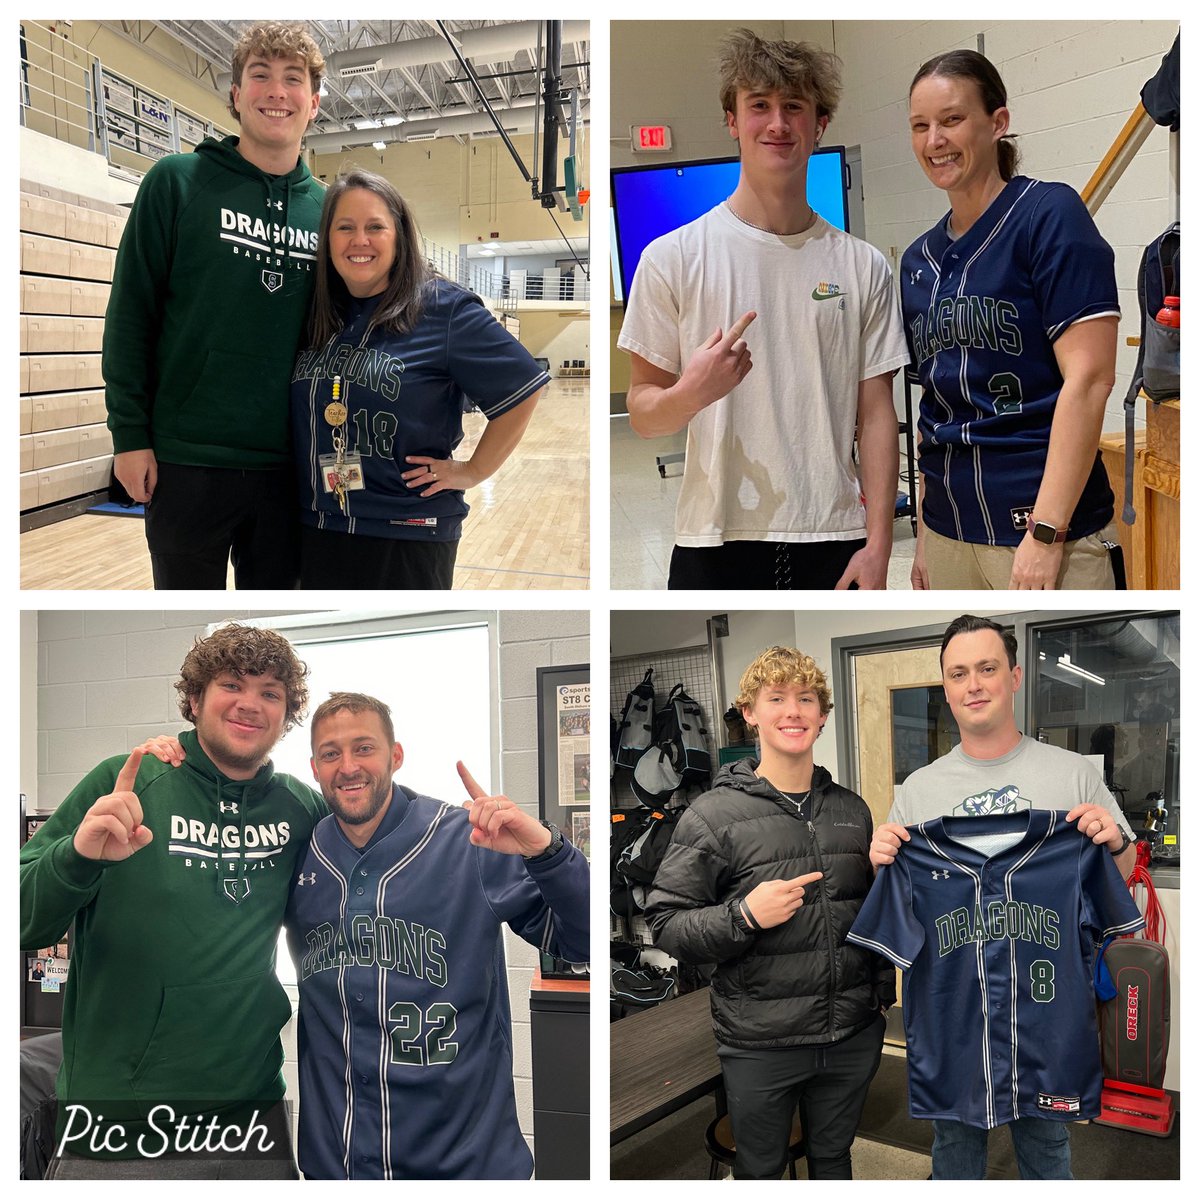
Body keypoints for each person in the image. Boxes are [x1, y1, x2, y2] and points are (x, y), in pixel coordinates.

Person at [20, 624, 325, 1178]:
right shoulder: (124, 783)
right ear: (194, 699)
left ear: (287, 716)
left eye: (271, 693)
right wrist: (77, 857)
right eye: (232, 683)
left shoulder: (300, 808)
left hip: (251, 1110)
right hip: (118, 1120)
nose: (250, 704)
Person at [617, 28, 908, 591]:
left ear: (819, 123)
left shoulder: (863, 266)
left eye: (794, 107)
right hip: (714, 537)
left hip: (834, 537)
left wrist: (879, 545)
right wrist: (690, 394)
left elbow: (875, 417)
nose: (777, 123)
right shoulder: (672, 257)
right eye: (759, 106)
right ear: (732, 119)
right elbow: (643, 413)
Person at [867, 614, 1137, 1179]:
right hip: (955, 1020)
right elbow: (897, 902)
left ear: (1014, 676)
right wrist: (883, 862)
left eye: (987, 668)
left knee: (1045, 1148)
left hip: (1045, 1021)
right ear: (946, 687)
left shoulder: (1073, 775)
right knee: (955, 1150)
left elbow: (1123, 875)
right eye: (959, 673)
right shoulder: (918, 791)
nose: (974, 684)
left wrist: (1112, 844)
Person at [285, 692, 589, 1178]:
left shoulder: (468, 839)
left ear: (395, 756)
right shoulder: (299, 854)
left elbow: (583, 942)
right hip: (336, 1165)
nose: (348, 766)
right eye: (330, 753)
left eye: (364, 748)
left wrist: (547, 851)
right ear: (315, 768)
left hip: (464, 1165)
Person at [644, 647, 893, 1179]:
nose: (793, 711)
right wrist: (744, 916)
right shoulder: (712, 815)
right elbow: (666, 923)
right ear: (750, 712)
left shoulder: (852, 810)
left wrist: (879, 1002)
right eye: (775, 698)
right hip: (762, 1043)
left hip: (851, 1033)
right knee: (761, 1170)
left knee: (834, 1160)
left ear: (823, 715)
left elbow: (869, 918)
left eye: (806, 699)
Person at [104, 22, 326, 590]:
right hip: (186, 460)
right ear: (234, 94)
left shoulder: (329, 211)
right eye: (260, 75)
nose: (276, 91)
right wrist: (130, 436)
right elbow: (131, 315)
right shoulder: (176, 182)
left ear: (314, 102)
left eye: (292, 79)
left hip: (291, 467)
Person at [902, 51, 1120, 590]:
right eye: (920, 126)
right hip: (949, 528)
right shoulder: (915, 262)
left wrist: (1047, 533)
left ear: (998, 123)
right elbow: (934, 410)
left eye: (951, 119)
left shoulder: (1049, 215)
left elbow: (1090, 379)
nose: (935, 140)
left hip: (1042, 528)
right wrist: (927, 538)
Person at [290, 170, 548, 589]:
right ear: (328, 239)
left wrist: (472, 470)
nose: (360, 240)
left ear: (399, 235)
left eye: (375, 226)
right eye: (345, 227)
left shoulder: (444, 309)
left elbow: (523, 391)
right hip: (318, 526)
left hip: (408, 530)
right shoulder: (318, 312)